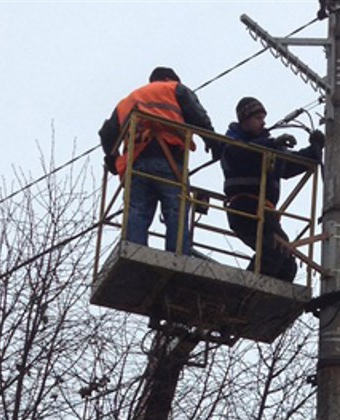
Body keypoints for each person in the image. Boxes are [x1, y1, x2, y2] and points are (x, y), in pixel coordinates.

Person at [99, 67, 218, 254]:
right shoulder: (174, 88)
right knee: (176, 208)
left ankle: (134, 251)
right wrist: (213, 141)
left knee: (137, 210)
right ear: (169, 78)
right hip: (168, 159)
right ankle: (177, 254)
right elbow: (197, 116)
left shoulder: (127, 101)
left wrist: (112, 159)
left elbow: (106, 133)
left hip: (136, 164)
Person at [220, 96, 324, 282]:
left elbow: (289, 165)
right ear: (244, 120)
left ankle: (262, 302)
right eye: (258, 118)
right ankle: (246, 289)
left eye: (263, 117)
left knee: (286, 262)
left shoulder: (267, 148)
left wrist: (314, 149)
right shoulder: (233, 143)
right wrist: (273, 144)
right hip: (244, 207)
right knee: (276, 248)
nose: (263, 122)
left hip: (265, 211)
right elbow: (242, 154)